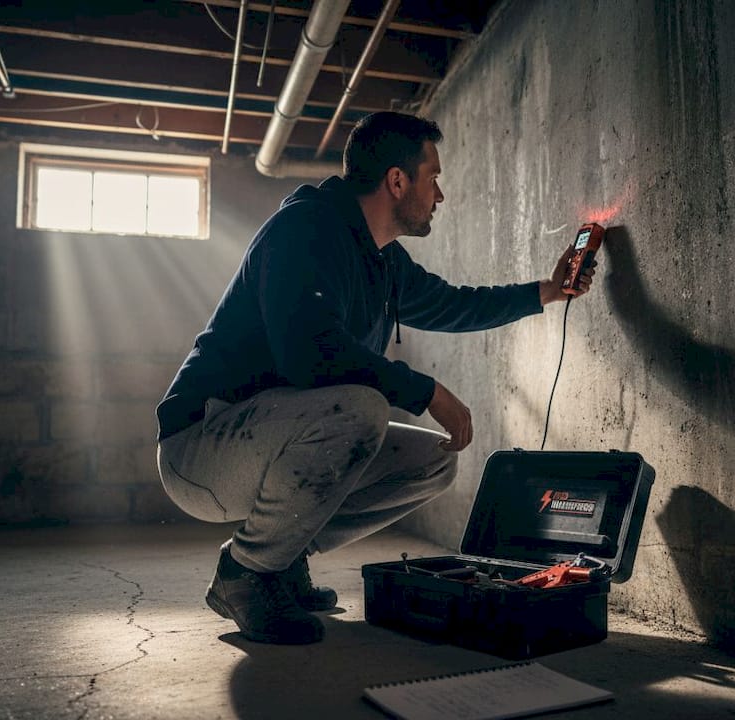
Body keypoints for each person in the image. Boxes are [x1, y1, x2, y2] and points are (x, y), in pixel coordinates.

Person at [155, 111, 596, 645]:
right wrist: (425, 390)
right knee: (362, 407)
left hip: (267, 438)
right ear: (396, 180)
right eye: (433, 177)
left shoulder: (384, 262)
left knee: (434, 460)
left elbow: (451, 305)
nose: (440, 194)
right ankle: (246, 574)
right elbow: (310, 355)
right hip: (200, 447)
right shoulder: (304, 231)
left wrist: (547, 291)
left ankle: (283, 557)